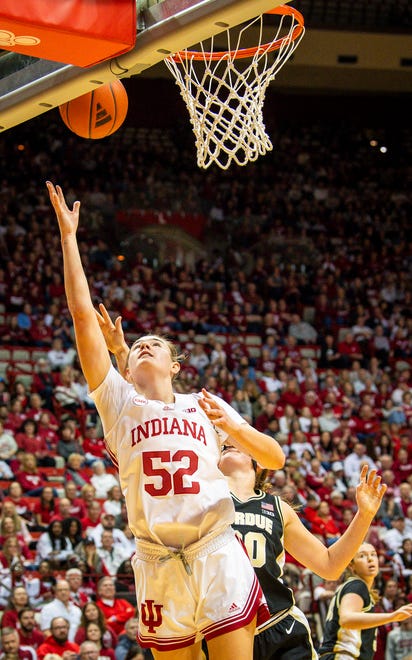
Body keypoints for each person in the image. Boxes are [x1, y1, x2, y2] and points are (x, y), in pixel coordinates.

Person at [47, 181, 286, 659]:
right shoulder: (118, 403)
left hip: (217, 550)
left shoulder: (205, 404)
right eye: (137, 345)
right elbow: (80, 315)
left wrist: (235, 428)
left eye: (155, 343)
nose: (143, 344)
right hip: (156, 562)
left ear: (176, 365)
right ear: (126, 367)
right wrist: (69, 238)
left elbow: (273, 458)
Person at [219, 446, 388, 660]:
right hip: (225, 629)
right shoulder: (204, 499)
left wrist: (364, 515)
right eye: (224, 447)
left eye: (238, 446)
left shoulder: (278, 508)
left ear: (260, 462)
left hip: (279, 625)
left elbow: (330, 565)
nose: (228, 447)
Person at [318, 542, 412, 659]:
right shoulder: (357, 585)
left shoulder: (360, 590)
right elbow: (347, 619)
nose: (370, 559)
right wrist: (392, 616)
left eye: (373, 554)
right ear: (351, 566)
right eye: (362, 556)